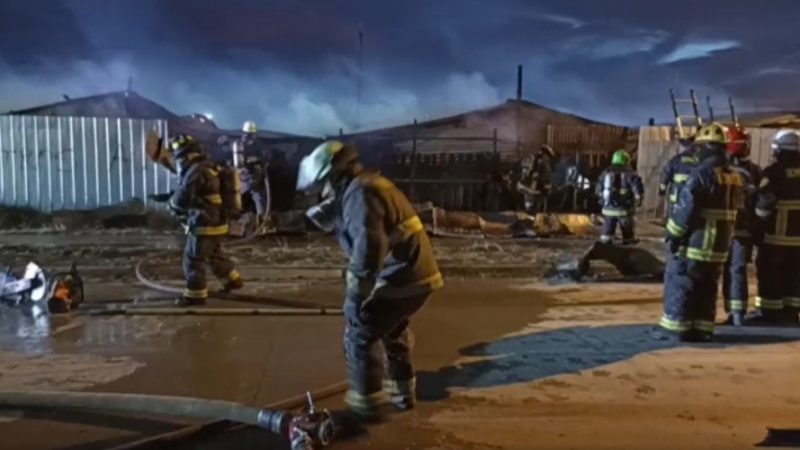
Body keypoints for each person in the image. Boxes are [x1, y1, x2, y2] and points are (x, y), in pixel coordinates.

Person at [295, 140, 443, 421]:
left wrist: (355, 297)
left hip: (403, 277)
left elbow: (367, 252)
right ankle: (402, 393)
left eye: (322, 184)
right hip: (414, 274)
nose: (320, 192)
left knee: (360, 331)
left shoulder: (360, 194)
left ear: (334, 175)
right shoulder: (363, 186)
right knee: (391, 328)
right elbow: (343, 218)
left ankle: (365, 409)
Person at [660, 123, 745, 342]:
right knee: (708, 288)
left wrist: (674, 235)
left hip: (696, 243)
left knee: (681, 281)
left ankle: (675, 328)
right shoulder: (734, 176)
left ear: (704, 147)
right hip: (720, 246)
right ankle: (703, 329)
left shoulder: (700, 175)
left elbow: (686, 211)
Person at [166, 134, 243, 305]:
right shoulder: (209, 166)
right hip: (218, 222)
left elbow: (183, 197)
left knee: (193, 259)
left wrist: (171, 205)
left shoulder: (194, 171)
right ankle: (233, 280)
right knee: (213, 254)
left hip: (204, 223)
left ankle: (195, 295)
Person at [748, 129, 800, 326]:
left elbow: (764, 205)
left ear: (778, 150)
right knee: (794, 275)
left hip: (775, 236)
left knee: (771, 274)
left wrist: (757, 229)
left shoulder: (773, 173)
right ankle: (792, 313)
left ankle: (770, 313)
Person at [722, 126, 761, 326]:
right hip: (744, 232)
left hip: (720, 231)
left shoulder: (718, 170)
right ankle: (738, 315)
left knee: (719, 272)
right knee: (737, 271)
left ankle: (730, 313)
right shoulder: (754, 171)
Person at [595, 149, 644, 244]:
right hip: (624, 210)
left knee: (606, 235)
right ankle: (628, 244)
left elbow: (598, 190)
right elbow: (637, 189)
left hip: (608, 209)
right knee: (628, 233)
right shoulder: (630, 174)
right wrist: (638, 201)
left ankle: (605, 247)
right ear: (626, 161)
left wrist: (602, 202)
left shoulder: (605, 173)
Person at [658, 137, 699, 217]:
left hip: (676, 197)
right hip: (692, 197)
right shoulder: (698, 160)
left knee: (673, 218)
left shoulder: (676, 159)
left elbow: (666, 173)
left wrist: (662, 189)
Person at [239, 121, 270, 225]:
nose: (250, 138)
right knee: (240, 195)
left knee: (258, 195)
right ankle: (235, 218)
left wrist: (259, 162)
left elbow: (267, 157)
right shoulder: (239, 145)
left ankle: (262, 221)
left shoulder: (259, 145)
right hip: (244, 175)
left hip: (254, 174)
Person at [518, 145, 555, 214]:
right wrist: (547, 186)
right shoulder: (542, 164)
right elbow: (543, 177)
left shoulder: (534, 161)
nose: (548, 159)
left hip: (527, 188)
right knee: (532, 206)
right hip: (533, 189)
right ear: (545, 155)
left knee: (530, 206)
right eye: (547, 156)